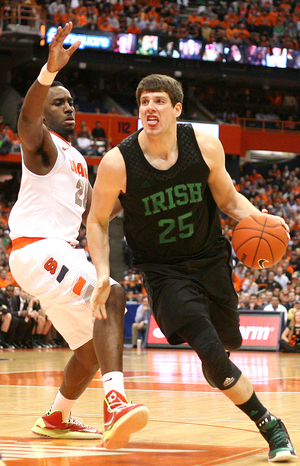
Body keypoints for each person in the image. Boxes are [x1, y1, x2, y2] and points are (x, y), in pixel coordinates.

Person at [87, 73, 296, 462]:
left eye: (159, 101)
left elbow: (230, 201)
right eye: (145, 101)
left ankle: (218, 366)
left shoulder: (203, 145)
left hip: (211, 259)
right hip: (165, 272)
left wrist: (260, 217)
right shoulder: (118, 162)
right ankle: (271, 426)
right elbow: (97, 221)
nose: (151, 108)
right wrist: (102, 272)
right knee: (212, 354)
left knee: (226, 343)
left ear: (177, 109)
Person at [8, 23, 148, 448]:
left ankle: (56, 417)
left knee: (89, 348)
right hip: (39, 250)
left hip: (56, 258)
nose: (69, 108)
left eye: (71, 102)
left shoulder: (78, 160)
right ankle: (116, 402)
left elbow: (97, 213)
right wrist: (47, 74)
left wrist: (142, 188)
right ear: (45, 112)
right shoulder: (42, 144)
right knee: (113, 292)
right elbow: (26, 117)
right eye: (59, 102)